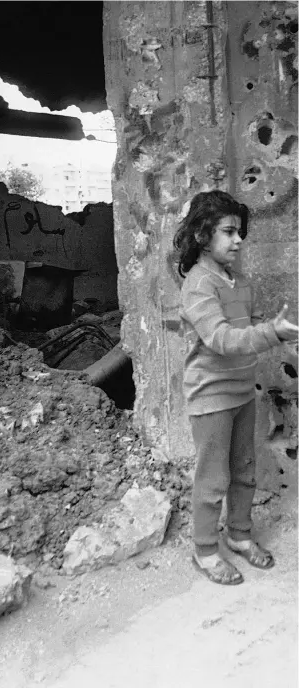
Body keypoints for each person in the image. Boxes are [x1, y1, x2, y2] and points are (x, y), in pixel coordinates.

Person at [173, 189, 298, 585]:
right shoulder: (198, 286)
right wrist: (270, 333)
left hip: (242, 390)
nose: (238, 240)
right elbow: (223, 340)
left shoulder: (237, 279)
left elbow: (250, 326)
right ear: (201, 236)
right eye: (228, 232)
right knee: (213, 477)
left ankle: (240, 535)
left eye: (239, 231)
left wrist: (282, 335)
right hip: (210, 395)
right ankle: (205, 550)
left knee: (245, 468)